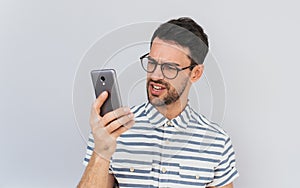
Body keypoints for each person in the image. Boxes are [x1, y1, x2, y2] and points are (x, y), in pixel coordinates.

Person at [78, 17, 239, 188]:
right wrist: (102, 151)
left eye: (170, 68)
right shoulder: (111, 130)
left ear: (195, 73)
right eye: (152, 63)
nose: (155, 76)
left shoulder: (217, 142)